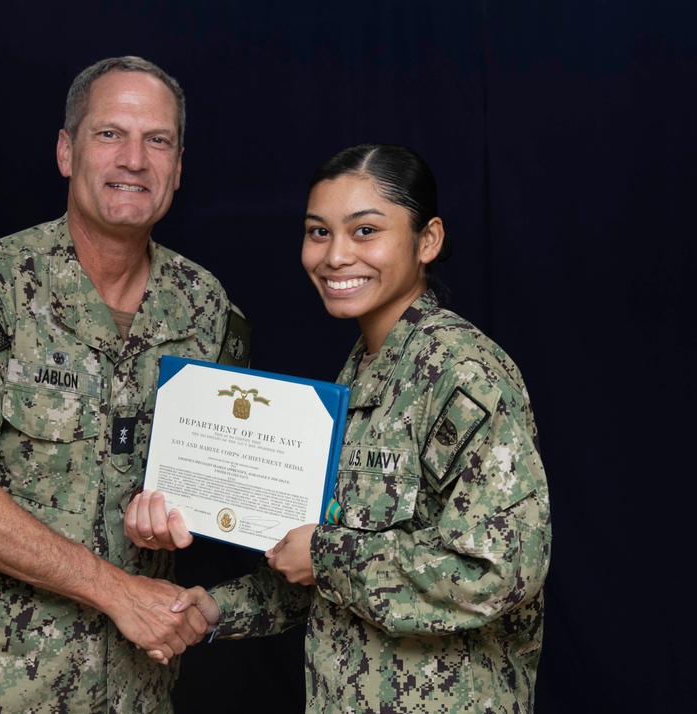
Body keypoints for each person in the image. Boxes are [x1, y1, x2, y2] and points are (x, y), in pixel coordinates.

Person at [0, 56, 252, 714]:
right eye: (110, 133)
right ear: (66, 150)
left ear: (177, 165)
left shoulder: (207, 310)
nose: (134, 159)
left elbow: (217, 474)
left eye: (157, 140)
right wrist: (116, 591)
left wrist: (179, 517)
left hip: (132, 688)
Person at [127, 144, 551, 713]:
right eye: (318, 232)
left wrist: (327, 556)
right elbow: (322, 569)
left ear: (428, 240)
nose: (335, 256)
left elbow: (498, 572)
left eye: (365, 230)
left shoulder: (462, 375)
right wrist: (214, 611)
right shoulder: (356, 381)